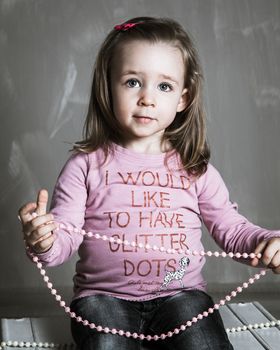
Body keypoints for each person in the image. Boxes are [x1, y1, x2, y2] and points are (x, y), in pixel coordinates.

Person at [18, 16, 280, 350]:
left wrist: (269, 240)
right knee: (107, 345)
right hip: (104, 299)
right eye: (131, 82)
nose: (147, 98)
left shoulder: (195, 169)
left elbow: (233, 231)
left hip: (180, 295)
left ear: (183, 99)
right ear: (107, 86)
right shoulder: (84, 165)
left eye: (164, 86)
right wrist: (44, 240)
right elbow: (63, 239)